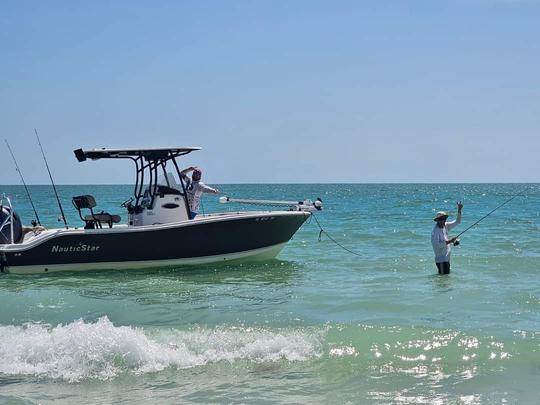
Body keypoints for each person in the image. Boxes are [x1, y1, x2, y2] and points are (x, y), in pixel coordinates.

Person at [431, 201, 463, 274]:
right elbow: (438, 245)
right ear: (438, 220)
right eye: (442, 219)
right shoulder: (434, 232)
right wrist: (450, 241)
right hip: (441, 260)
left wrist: (459, 209)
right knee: (443, 281)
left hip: (447, 259)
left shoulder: (446, 225)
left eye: (445, 219)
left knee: (446, 281)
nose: (444, 221)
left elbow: (458, 221)